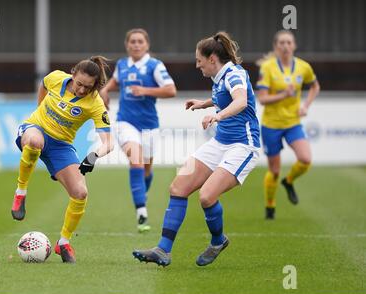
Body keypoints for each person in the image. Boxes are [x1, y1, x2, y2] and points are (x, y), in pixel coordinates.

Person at [132, 31, 260, 267]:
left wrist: (217, 115)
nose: (197, 64)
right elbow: (226, 97)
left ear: (212, 58)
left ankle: (218, 241)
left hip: (243, 146)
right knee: (178, 186)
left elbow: (241, 100)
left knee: (207, 196)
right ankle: (163, 250)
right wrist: (205, 103)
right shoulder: (220, 76)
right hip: (220, 143)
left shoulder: (233, 74)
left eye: (199, 60)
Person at [10, 56, 114, 263]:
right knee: (34, 143)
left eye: (88, 87)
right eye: (79, 84)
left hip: (61, 145)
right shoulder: (56, 78)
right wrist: (38, 109)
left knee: (80, 193)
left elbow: (108, 143)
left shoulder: (95, 103)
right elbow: (43, 84)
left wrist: (92, 157)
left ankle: (64, 243)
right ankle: (20, 192)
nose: (82, 90)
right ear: (72, 74)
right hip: (35, 129)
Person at [100, 28, 177, 232]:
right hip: (125, 122)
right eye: (132, 41)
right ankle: (141, 211)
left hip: (150, 125)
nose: (136, 45)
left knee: (146, 169)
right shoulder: (122, 65)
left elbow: (171, 90)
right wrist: (105, 90)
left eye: (140, 41)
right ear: (127, 45)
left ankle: (142, 193)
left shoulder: (154, 66)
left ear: (147, 45)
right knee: (136, 159)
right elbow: (116, 81)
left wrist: (146, 90)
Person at [256, 30, 320, 220]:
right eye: (282, 43)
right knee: (274, 171)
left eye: (288, 42)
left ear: (294, 46)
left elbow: (315, 86)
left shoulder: (303, 67)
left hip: (293, 123)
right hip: (271, 125)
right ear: (276, 46)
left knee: (305, 159)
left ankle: (289, 181)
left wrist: (305, 105)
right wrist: (284, 95)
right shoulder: (267, 68)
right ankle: (270, 206)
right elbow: (262, 99)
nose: (285, 46)